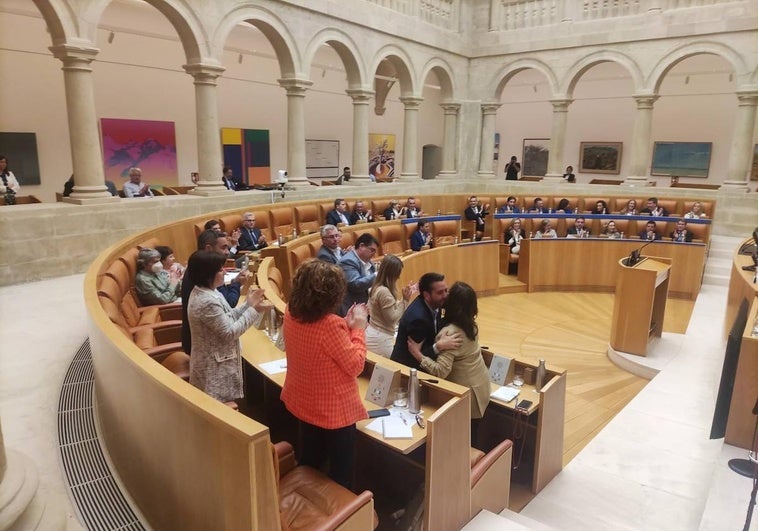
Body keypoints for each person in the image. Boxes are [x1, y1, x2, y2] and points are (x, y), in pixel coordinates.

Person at [281, 259, 369, 489]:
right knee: (341, 474)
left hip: (304, 401)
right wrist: (358, 328)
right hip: (333, 412)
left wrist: (345, 324)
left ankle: (307, 498)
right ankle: (340, 516)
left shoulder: (290, 311)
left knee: (310, 461)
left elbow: (318, 336)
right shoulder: (330, 325)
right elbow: (356, 365)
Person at [406, 281, 490, 448]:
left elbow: (440, 371)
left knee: (464, 443)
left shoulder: (450, 334)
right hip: (481, 386)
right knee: (472, 436)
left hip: (468, 397)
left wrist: (418, 355)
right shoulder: (471, 325)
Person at [187, 251, 267, 405]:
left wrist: (248, 304)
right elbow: (229, 332)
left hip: (218, 362)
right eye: (219, 270)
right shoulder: (206, 301)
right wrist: (253, 310)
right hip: (213, 369)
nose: (224, 272)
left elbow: (228, 316)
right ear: (207, 274)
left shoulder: (210, 291)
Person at [181, 230, 251, 354]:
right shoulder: (205, 276)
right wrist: (237, 284)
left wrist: (249, 304)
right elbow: (230, 304)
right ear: (208, 248)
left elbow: (227, 312)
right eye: (223, 248)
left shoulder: (202, 270)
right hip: (208, 350)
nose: (227, 252)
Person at [390, 272, 462, 370]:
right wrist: (438, 346)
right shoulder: (418, 319)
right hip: (405, 369)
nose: (445, 295)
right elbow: (416, 355)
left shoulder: (435, 303)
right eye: (440, 292)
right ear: (427, 295)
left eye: (446, 290)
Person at [366, 255, 416, 357]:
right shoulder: (384, 292)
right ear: (392, 273)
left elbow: (389, 309)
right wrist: (405, 300)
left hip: (374, 333)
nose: (399, 277)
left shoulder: (376, 287)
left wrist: (403, 300)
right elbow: (392, 319)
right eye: (398, 273)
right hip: (381, 340)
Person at [338, 233, 378, 315]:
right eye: (372, 250)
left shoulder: (368, 261)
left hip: (363, 307)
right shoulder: (348, 261)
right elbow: (355, 284)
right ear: (361, 246)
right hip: (350, 309)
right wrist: (377, 274)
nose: (374, 254)